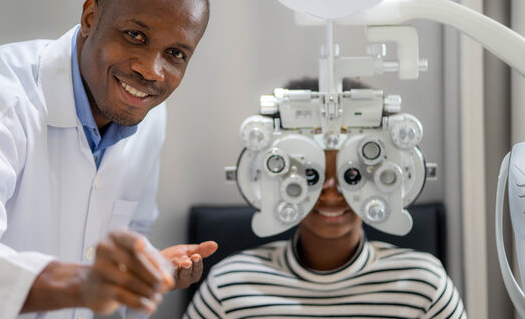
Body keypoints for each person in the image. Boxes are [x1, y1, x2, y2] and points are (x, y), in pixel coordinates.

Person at [0, 0, 218, 318]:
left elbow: (133, 229)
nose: (151, 71)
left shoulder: (147, 116)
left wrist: (143, 269)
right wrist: (83, 284)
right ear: (91, 17)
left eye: (175, 54)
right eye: (135, 35)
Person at [184, 78, 466, 318]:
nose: (331, 191)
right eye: (311, 175)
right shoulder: (228, 286)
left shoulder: (423, 286)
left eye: (352, 174)